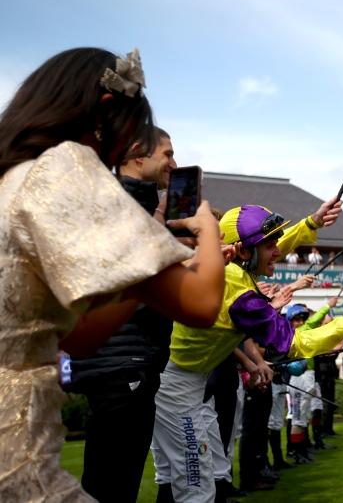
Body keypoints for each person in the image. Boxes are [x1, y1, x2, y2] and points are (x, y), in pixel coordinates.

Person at [0, 47, 225, 502]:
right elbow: (202, 304)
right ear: (105, 113)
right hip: (19, 457)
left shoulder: (11, 178)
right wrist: (209, 232)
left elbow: (80, 336)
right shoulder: (68, 164)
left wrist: (146, 270)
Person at [151, 204, 343, 502]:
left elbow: (265, 248)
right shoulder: (240, 294)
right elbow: (294, 344)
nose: (278, 251)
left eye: (276, 241)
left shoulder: (234, 267)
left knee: (180, 479)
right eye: (269, 244)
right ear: (243, 250)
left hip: (182, 384)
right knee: (196, 489)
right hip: (178, 392)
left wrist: (310, 224)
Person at [68, 128, 182, 503]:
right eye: (166, 154)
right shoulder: (118, 206)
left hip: (131, 360)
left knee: (117, 479)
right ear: (137, 153)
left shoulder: (141, 206)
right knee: (110, 482)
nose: (174, 164)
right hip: (121, 363)